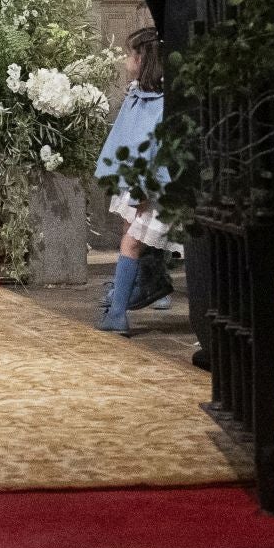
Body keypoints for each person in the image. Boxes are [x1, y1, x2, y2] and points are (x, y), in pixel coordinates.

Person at [132, 0, 210, 367]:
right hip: (266, 23)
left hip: (191, 21)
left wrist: (170, 15)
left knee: (200, 170)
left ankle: (215, 329)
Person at [95, 27, 177, 335]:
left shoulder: (160, 103)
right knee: (133, 238)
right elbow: (125, 136)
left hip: (150, 187)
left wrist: (143, 187)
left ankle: (118, 313)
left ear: (145, 60)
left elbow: (155, 147)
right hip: (134, 180)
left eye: (132, 54)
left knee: (132, 244)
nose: (127, 60)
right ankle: (151, 289)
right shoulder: (136, 94)